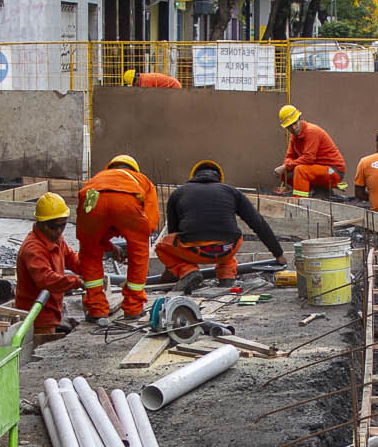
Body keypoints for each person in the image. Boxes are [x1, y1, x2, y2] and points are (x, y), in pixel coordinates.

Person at [154, 160, 287, 282]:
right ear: (219, 179)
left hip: (194, 251)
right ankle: (226, 274)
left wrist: (174, 270)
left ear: (193, 177)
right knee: (231, 237)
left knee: (162, 246)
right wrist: (278, 254)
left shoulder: (178, 193)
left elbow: (173, 232)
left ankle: (188, 271)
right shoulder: (232, 192)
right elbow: (258, 224)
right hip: (227, 249)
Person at [75, 152, 160, 322]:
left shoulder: (97, 178)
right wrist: (135, 237)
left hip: (92, 198)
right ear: (134, 170)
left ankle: (96, 309)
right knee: (139, 254)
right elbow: (150, 221)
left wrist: (108, 244)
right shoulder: (141, 180)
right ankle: (133, 308)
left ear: (110, 168)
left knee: (90, 253)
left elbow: (87, 233)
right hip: (126, 201)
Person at [12, 191, 80, 338]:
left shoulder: (56, 239)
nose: (59, 231)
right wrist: (78, 282)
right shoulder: (33, 248)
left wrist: (91, 267)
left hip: (52, 312)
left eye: (63, 225)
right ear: (41, 224)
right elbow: (46, 280)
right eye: (55, 227)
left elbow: (72, 259)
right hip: (36, 319)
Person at [274, 103, 344, 195]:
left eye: (295, 123)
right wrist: (286, 166)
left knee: (300, 170)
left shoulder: (311, 132)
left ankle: (300, 201)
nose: (293, 128)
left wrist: (285, 166)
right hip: (315, 170)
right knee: (284, 173)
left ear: (300, 119)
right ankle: (315, 191)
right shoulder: (294, 137)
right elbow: (289, 156)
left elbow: (309, 158)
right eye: (289, 126)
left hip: (333, 171)